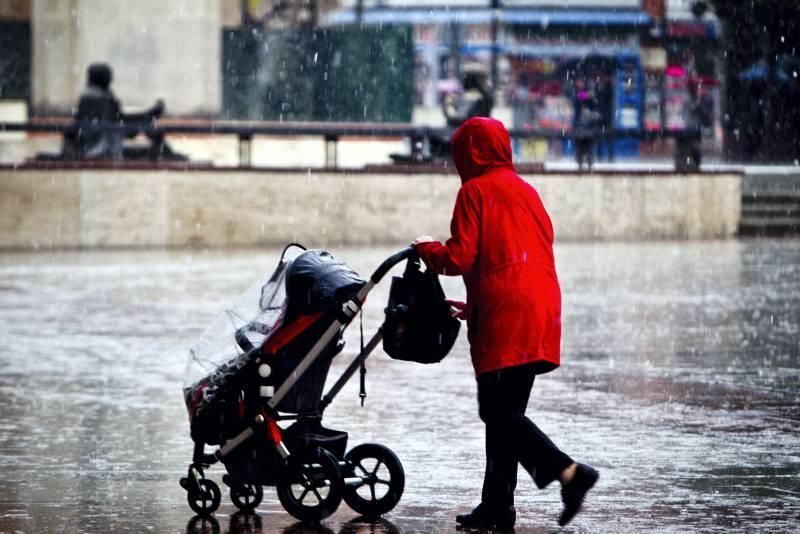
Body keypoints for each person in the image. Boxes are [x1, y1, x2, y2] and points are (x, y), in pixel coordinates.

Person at [413, 117, 598, 530]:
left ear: (468, 153)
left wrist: (426, 249)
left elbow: (459, 258)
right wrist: (477, 303)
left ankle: (569, 473)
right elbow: (516, 253)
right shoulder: (527, 191)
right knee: (506, 413)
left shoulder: (474, 191)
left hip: (506, 310)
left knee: (498, 412)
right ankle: (498, 506)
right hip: (539, 305)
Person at [67, 63, 184, 161]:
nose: (111, 79)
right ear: (101, 78)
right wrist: (149, 115)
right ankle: (167, 154)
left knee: (148, 127)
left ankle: (164, 153)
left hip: (101, 143)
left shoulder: (91, 94)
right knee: (150, 128)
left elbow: (117, 120)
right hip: (102, 148)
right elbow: (118, 121)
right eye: (108, 76)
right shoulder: (98, 97)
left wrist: (147, 115)